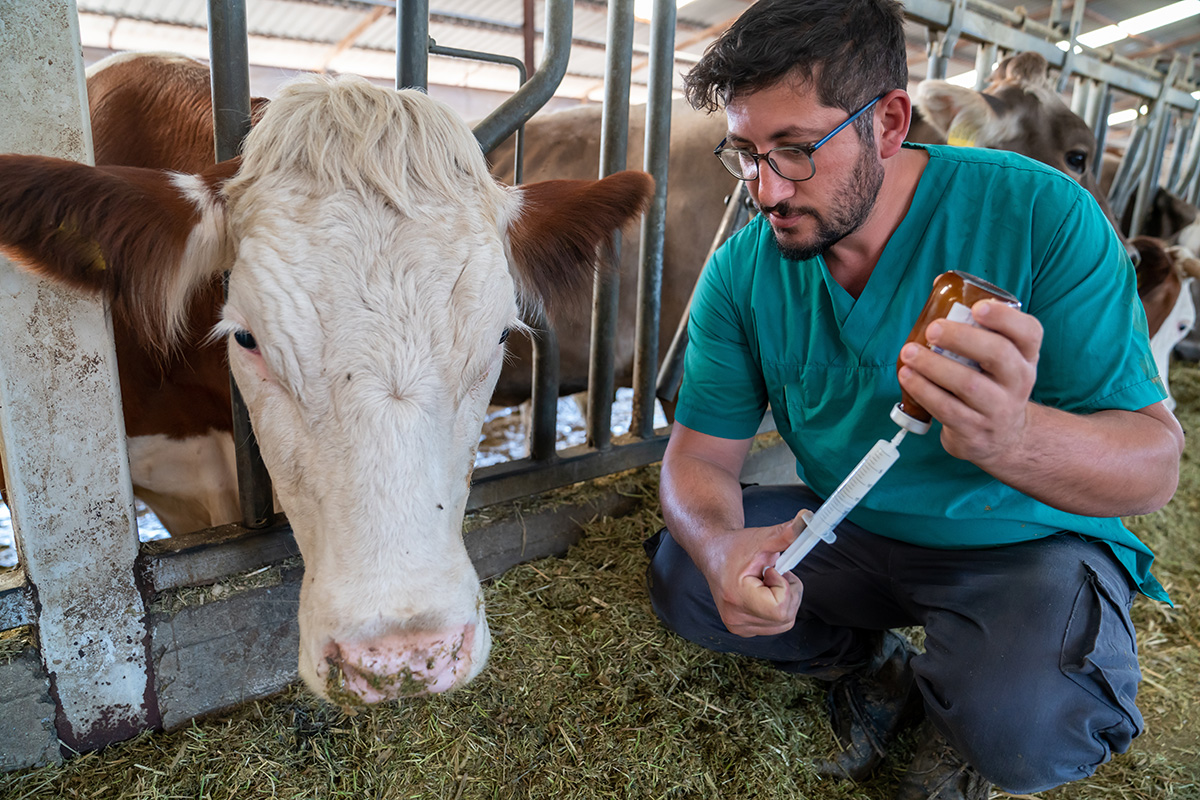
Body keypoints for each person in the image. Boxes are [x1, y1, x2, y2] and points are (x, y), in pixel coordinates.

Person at [644, 1, 1185, 798]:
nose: (765, 189)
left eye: (795, 152)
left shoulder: (1043, 215)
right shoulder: (746, 270)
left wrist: (1012, 439)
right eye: (746, 153)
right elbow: (696, 456)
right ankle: (876, 666)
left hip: (1018, 544)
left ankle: (969, 724)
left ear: (890, 122)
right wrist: (720, 544)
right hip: (847, 525)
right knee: (687, 579)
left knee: (1033, 728)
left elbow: (1154, 467)